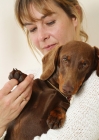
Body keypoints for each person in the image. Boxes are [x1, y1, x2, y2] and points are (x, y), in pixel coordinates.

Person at [0, 0, 99, 140]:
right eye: (32, 29)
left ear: (75, 15)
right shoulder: (30, 76)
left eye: (50, 22)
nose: (41, 36)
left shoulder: (96, 86)